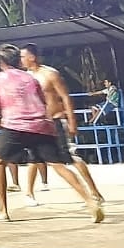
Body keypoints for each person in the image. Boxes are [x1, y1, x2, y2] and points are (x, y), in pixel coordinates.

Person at [0, 44, 103, 223]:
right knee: (58, 165)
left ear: (0, 62)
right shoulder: (31, 78)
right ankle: (89, 200)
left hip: (15, 125)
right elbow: (42, 101)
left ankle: (2, 210)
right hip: (42, 124)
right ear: (18, 60)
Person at [20, 43, 104, 206]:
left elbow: (65, 97)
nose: (21, 60)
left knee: (72, 156)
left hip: (56, 120)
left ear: (32, 57)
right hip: (38, 123)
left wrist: (72, 120)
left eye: (23, 56)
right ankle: (29, 193)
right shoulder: (25, 78)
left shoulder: (50, 74)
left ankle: (94, 192)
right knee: (34, 157)